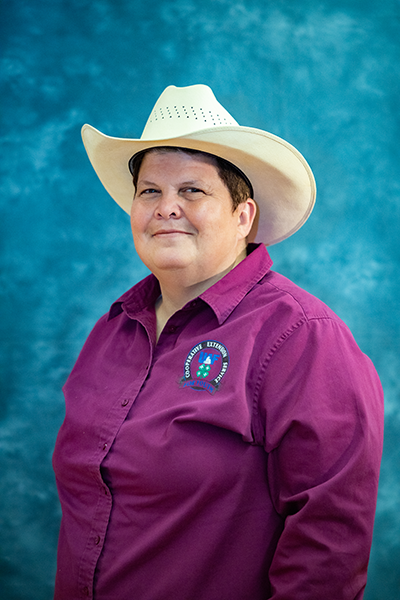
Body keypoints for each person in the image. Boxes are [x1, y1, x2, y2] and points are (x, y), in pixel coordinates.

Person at [52, 84, 384, 600]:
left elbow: (329, 554)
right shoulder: (111, 330)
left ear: (244, 216)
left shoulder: (303, 338)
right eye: (150, 191)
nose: (167, 208)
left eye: (192, 190)